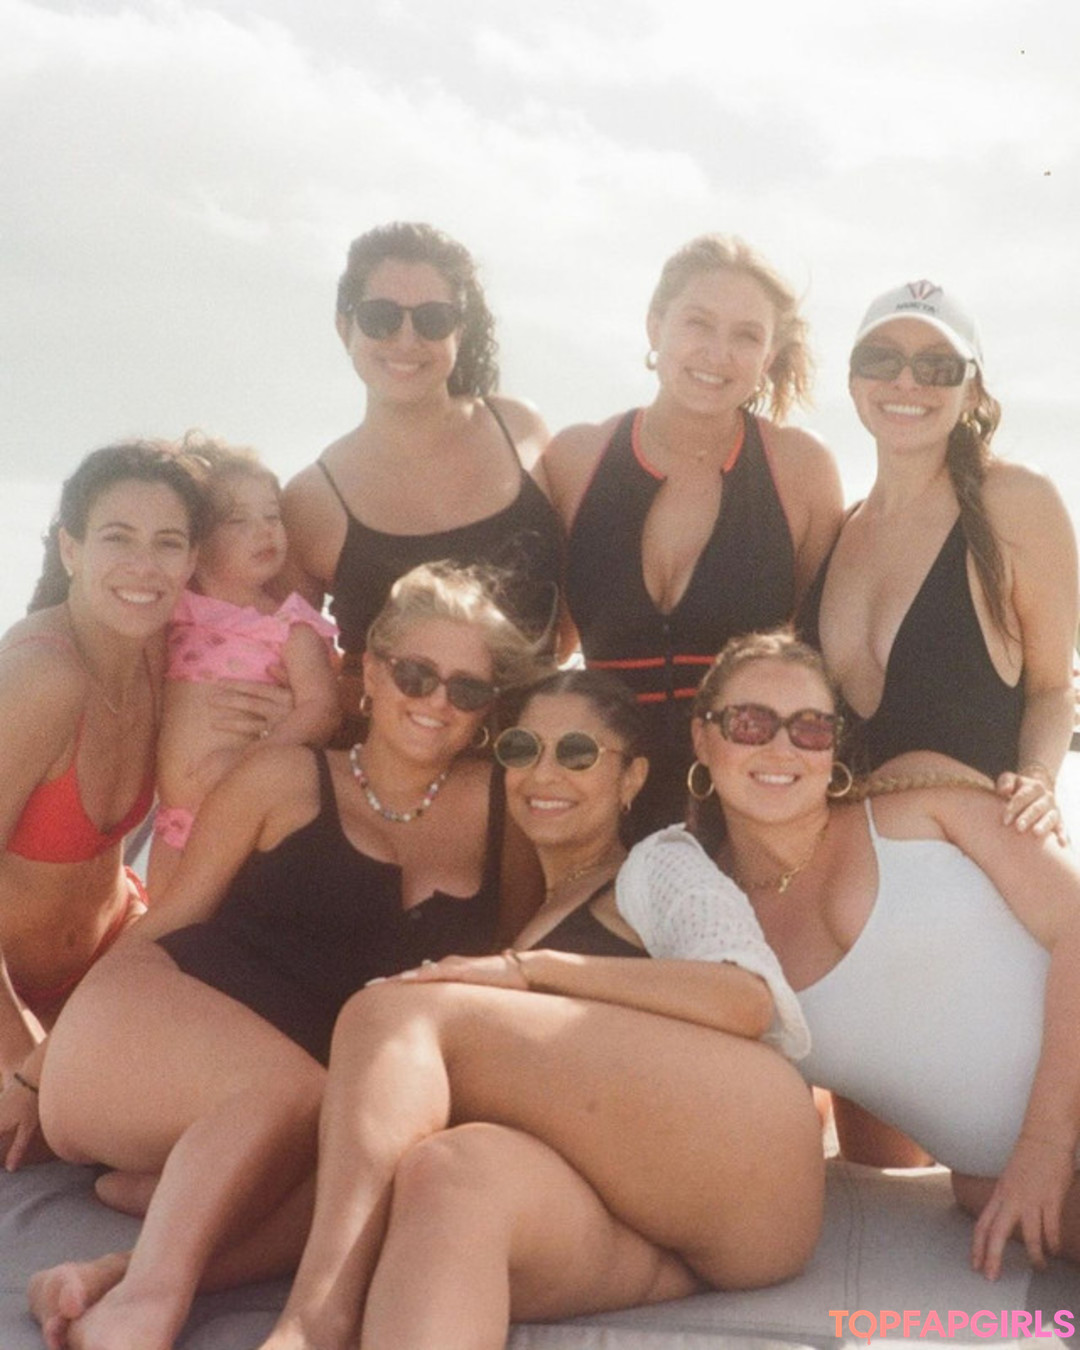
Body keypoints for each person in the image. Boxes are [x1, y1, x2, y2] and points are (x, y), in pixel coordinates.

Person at [28, 561, 548, 1350]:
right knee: (304, 1094)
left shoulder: (503, 813)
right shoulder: (281, 777)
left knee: (376, 1161)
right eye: (415, 674)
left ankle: (114, 1272)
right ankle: (146, 1306)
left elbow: (500, 966)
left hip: (307, 1103)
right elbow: (171, 918)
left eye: (467, 689)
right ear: (370, 674)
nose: (436, 701)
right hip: (154, 1020)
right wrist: (32, 1074)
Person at [247, 668, 821, 1350]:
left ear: (632, 778)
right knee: (450, 1174)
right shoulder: (527, 917)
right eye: (522, 750)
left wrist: (533, 971)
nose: (545, 774)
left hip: (752, 1158)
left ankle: (315, 1323)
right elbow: (366, 1170)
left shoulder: (655, 864)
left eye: (577, 753)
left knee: (391, 1013)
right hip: (646, 1229)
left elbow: (745, 997)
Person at [656, 628, 1080, 1281]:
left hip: (1041, 1155)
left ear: (833, 747)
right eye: (750, 723)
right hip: (1002, 1185)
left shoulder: (918, 800)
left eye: (810, 728)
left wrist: (1044, 1145)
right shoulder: (713, 927)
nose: (781, 748)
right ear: (702, 737)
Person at [539, 233, 844, 840]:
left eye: (746, 336)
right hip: (597, 806)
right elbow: (544, 650)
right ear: (655, 326)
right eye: (698, 323)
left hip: (749, 813)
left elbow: (822, 662)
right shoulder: (575, 460)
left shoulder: (800, 470)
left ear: (769, 355)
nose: (718, 353)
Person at [798, 279, 1078, 837]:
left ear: (971, 392)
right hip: (841, 863)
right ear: (853, 383)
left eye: (937, 366)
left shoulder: (1014, 503)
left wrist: (1038, 780)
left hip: (976, 858)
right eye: (881, 360)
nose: (906, 381)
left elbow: (1053, 687)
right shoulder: (836, 531)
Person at [0, 441, 206, 1172]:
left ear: (192, 560)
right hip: (11, 996)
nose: (145, 567)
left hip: (110, 961)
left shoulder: (164, 654)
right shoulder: (40, 677)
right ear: (71, 548)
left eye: (168, 543)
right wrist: (22, 1057)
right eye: (119, 537)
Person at [280, 221, 563, 729]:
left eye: (433, 319)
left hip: (531, 759)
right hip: (391, 767)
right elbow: (290, 662)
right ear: (344, 327)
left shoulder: (519, 428)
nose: (406, 339)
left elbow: (578, 598)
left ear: (460, 330)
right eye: (380, 317)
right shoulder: (310, 500)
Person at [148, 440, 340, 893]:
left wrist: (249, 758)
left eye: (272, 515)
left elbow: (322, 709)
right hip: (173, 822)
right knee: (161, 925)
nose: (264, 531)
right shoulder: (170, 612)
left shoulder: (288, 626)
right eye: (238, 520)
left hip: (247, 818)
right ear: (195, 541)